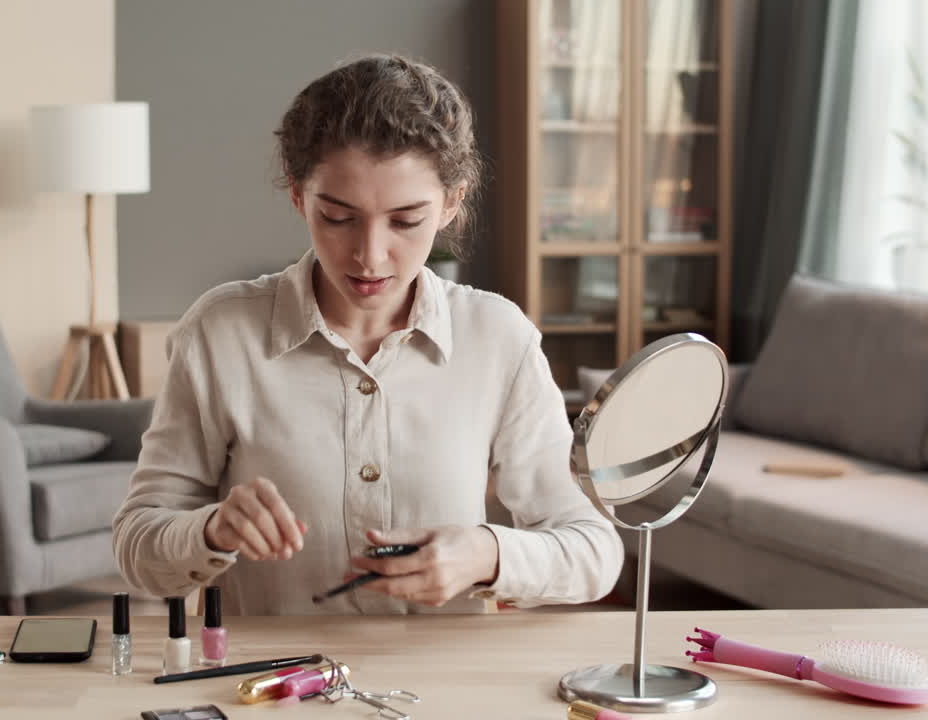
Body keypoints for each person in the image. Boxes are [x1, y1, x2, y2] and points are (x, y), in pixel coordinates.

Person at [113, 54, 623, 615]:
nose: (370, 255)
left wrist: (485, 554)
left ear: (452, 202)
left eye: (406, 221)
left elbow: (595, 551)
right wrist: (210, 530)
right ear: (298, 194)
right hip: (274, 691)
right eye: (337, 217)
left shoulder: (498, 337)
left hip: (440, 689)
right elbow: (138, 546)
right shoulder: (220, 332)